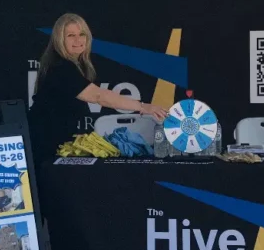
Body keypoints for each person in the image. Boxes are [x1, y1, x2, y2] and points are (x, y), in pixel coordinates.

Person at [29, 13, 168, 168]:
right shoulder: (61, 67)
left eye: (82, 34)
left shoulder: (70, 65)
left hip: (52, 144)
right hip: (43, 146)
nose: (78, 40)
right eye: (71, 35)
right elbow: (99, 96)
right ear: (59, 39)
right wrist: (142, 106)